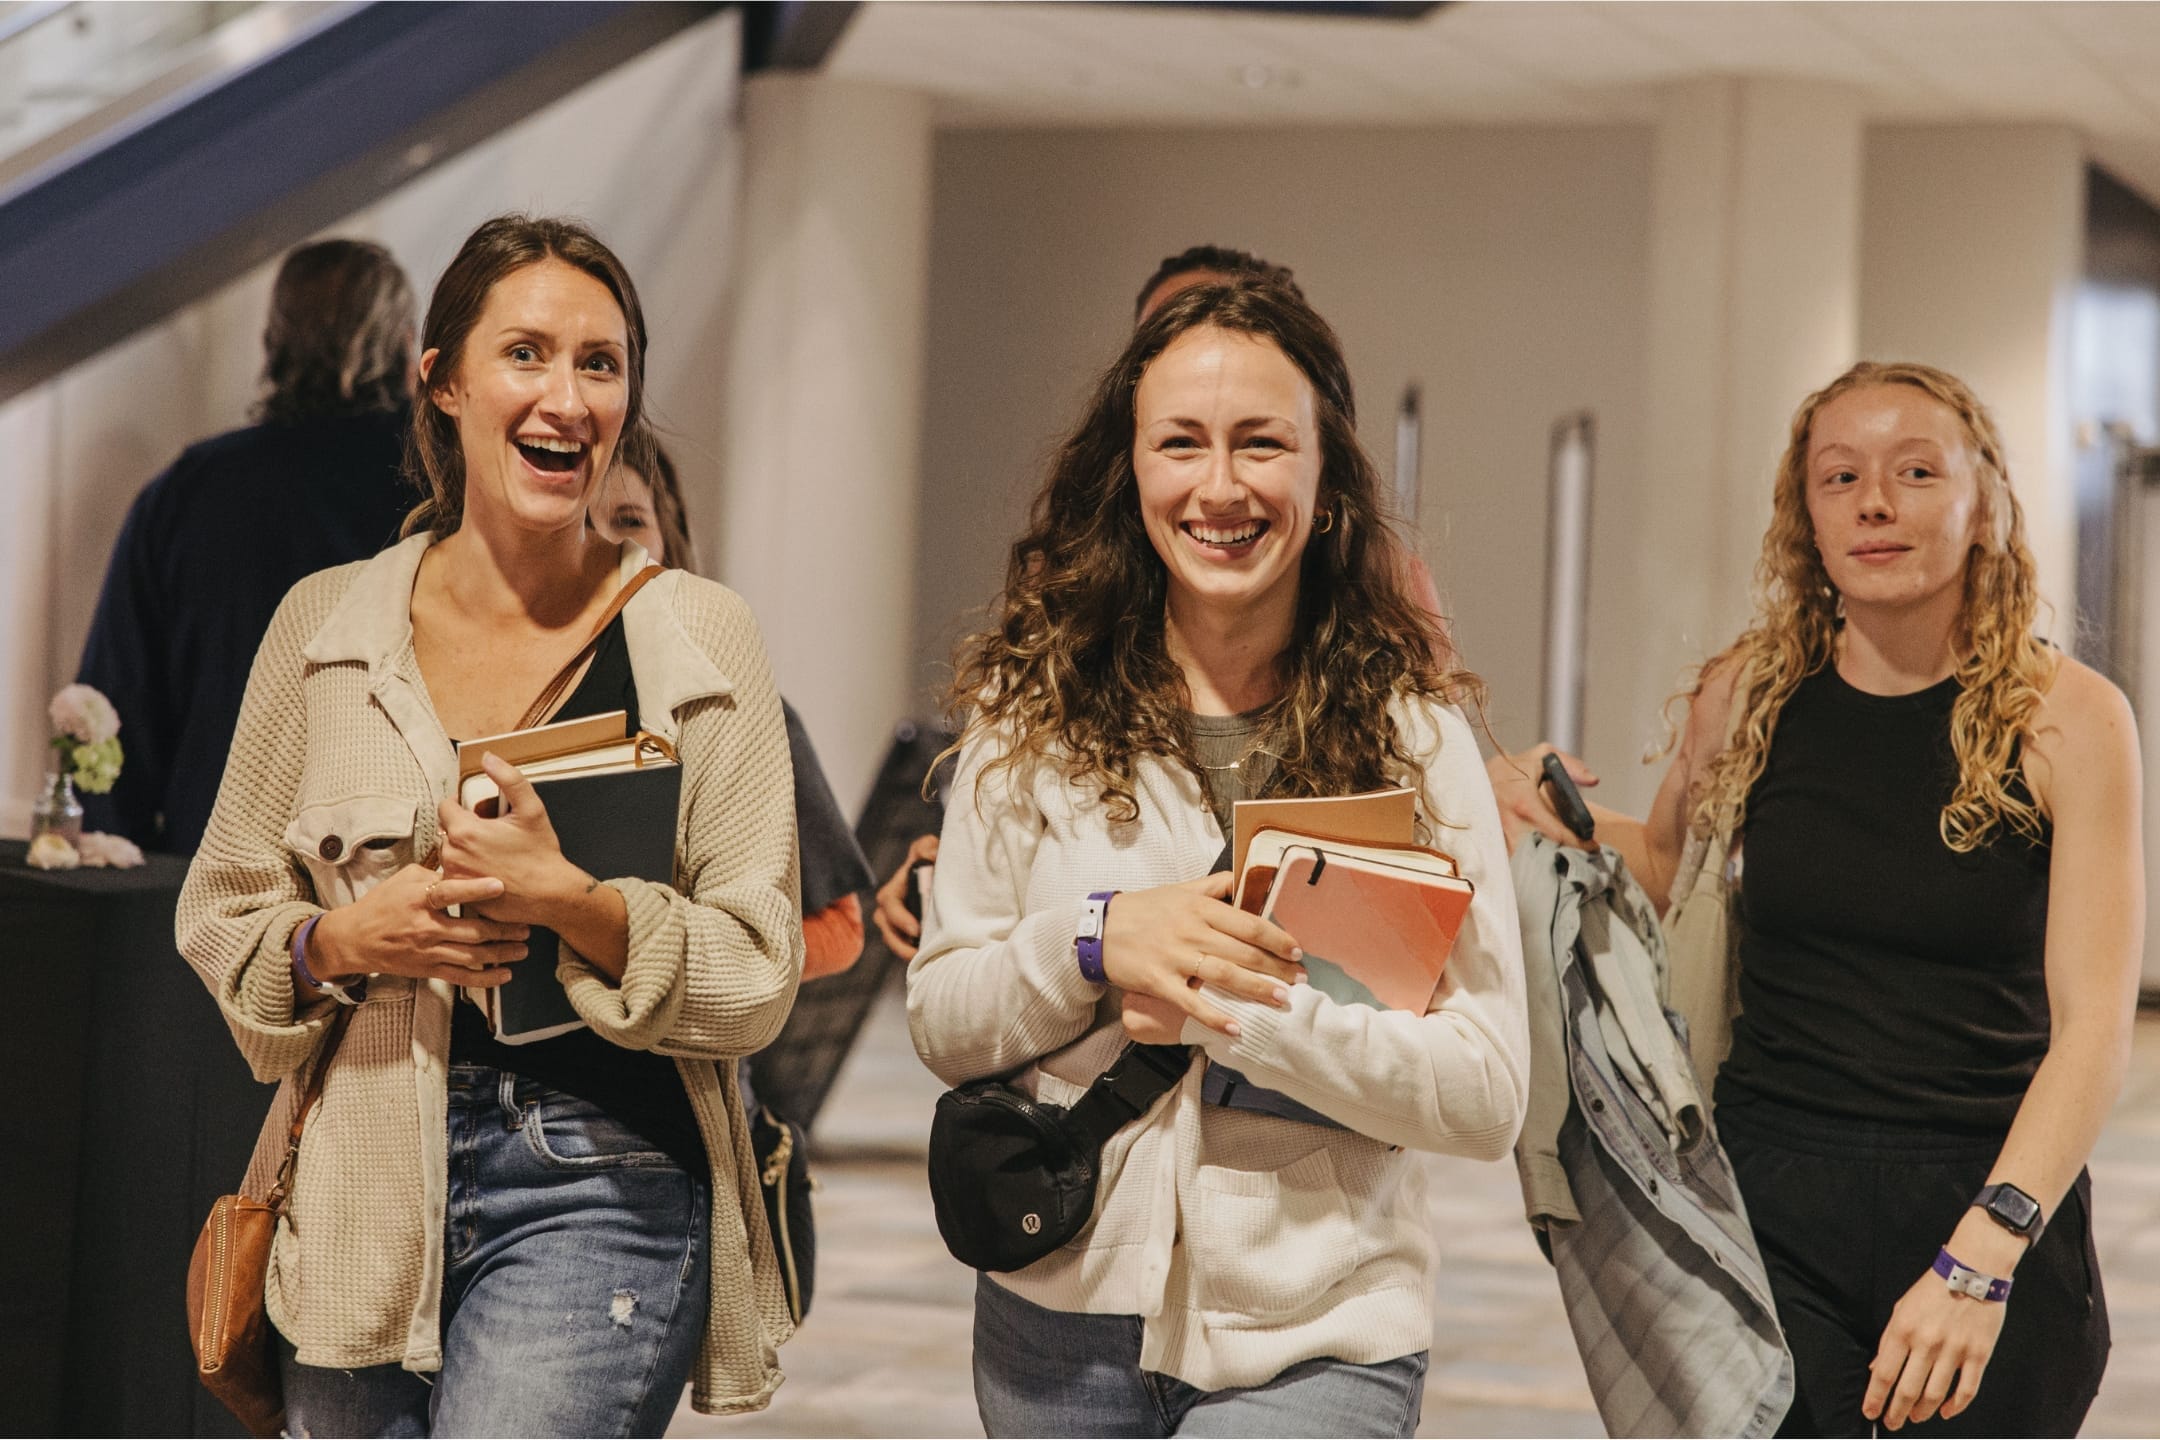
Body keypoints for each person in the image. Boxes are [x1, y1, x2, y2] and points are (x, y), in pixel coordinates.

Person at [176, 215, 804, 1436]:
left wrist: (576, 904)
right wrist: (343, 940)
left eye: (601, 364)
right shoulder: (324, 628)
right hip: (355, 1188)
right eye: (526, 354)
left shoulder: (700, 638)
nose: (567, 398)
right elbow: (224, 909)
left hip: (604, 1176)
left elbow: (758, 969)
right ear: (443, 381)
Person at [907, 278, 1529, 1438]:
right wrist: (1097, 941)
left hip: (1320, 1333)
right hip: (1055, 1317)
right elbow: (945, 1019)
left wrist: (1231, 1010)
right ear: (1129, 469)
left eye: (1263, 443)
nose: (1222, 485)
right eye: (1181, 442)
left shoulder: (1413, 736)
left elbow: (1487, 1094)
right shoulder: (1033, 712)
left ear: (1326, 479)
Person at [1489, 361, 2138, 1436]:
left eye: (1917, 472)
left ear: (1985, 507)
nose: (1874, 502)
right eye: (1840, 477)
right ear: (1808, 518)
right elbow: (1663, 868)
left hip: (1986, 1190)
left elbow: (2096, 1030)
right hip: (1772, 1200)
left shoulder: (2068, 719)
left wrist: (1983, 1256)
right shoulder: (1749, 693)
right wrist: (1517, 797)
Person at [872, 244, 1308, 961]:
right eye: (1162, 341)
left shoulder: (1381, 648)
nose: (1219, 485)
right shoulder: (1066, 608)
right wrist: (967, 876)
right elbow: (974, 944)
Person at [77, 238, 417, 853]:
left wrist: (124, 866)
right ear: (405, 344)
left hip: (215, 861)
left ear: (273, 341)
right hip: (395, 860)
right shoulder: (442, 487)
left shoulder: (188, 490)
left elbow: (114, 713)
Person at [591, 436, 871, 981]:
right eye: (580, 523)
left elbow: (841, 928)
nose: (607, 542)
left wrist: (685, 962)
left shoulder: (745, 710)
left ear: (669, 539)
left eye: (630, 521)